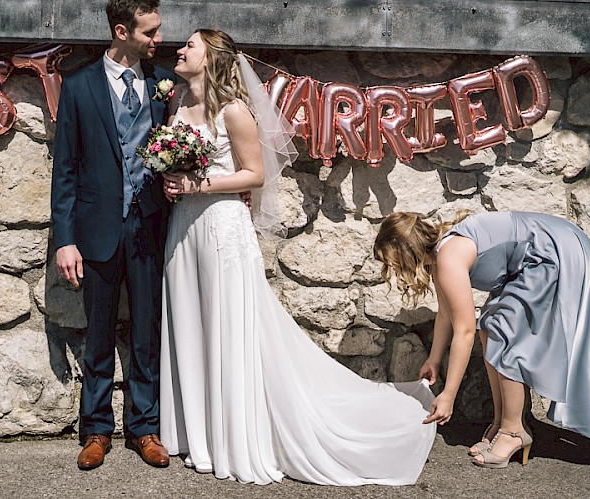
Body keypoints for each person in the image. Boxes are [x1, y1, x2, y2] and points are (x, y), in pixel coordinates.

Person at [158, 29, 436, 486]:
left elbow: (256, 173)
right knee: (190, 318)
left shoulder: (234, 111)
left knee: (229, 326)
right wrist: (172, 177)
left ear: (211, 59)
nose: (180, 50)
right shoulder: (177, 107)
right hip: (184, 226)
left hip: (221, 226)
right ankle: (200, 435)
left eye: (190, 45)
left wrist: (197, 185)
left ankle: (235, 436)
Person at [374, 211, 590, 469]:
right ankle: (502, 422)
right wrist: (434, 359)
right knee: (489, 327)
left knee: (503, 331)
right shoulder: (442, 255)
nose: (394, 269)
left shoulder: (449, 257)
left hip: (555, 250)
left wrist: (449, 394)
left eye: (393, 261)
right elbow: (446, 314)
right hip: (544, 251)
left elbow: (464, 331)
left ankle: (513, 431)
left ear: (406, 251)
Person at [51, 0, 175, 471]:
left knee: (146, 332)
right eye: (150, 31)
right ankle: (96, 430)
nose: (159, 39)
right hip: (96, 230)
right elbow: (66, 170)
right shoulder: (79, 87)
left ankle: (145, 428)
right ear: (121, 32)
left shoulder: (163, 83)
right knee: (98, 335)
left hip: (149, 227)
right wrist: (65, 239)